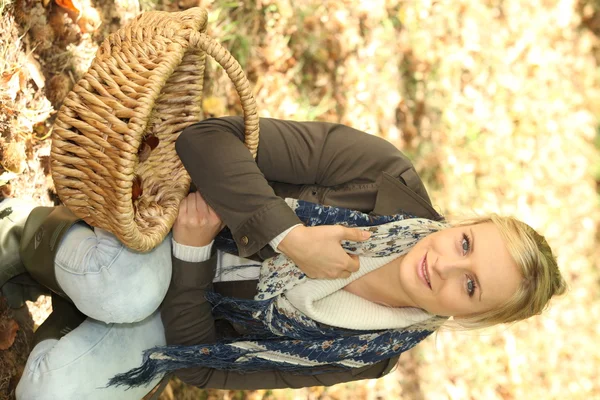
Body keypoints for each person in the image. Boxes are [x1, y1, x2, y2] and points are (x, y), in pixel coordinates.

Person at [0, 117, 565, 398]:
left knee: (53, 389)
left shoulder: (368, 355)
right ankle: (27, 237)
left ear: (469, 317)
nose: (444, 265)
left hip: (171, 323)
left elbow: (202, 365)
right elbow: (205, 136)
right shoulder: (378, 174)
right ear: (466, 223)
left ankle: (73, 314)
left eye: (470, 287)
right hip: (153, 228)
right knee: (123, 287)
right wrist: (288, 235)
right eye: (465, 244)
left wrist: (194, 259)